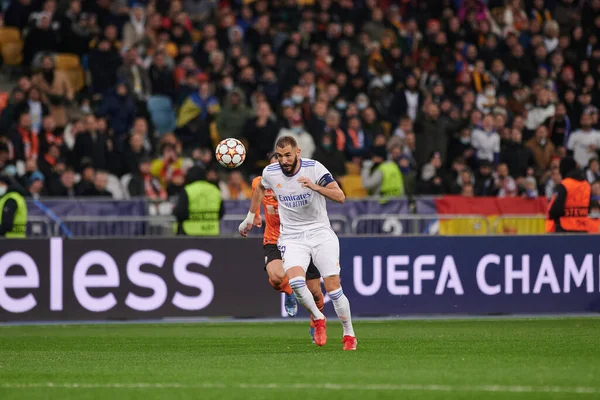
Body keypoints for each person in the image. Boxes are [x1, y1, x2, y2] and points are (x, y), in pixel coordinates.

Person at [239, 136, 357, 351]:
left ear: (298, 152)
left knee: (332, 289)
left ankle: (349, 333)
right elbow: (259, 188)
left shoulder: (314, 168)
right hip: (292, 236)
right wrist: (250, 217)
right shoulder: (270, 173)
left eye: (288, 155)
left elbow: (340, 197)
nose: (283, 160)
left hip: (320, 233)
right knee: (294, 283)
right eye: (280, 156)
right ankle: (318, 318)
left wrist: (314, 187)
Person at [250, 153, 326, 340]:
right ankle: (290, 292)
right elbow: (256, 195)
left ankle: (316, 321)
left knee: (315, 293)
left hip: (303, 238)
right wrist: (255, 214)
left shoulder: (300, 182)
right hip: (275, 238)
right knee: (276, 278)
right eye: (272, 167)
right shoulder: (260, 182)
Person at [173, 167, 224, 236]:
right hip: (212, 231)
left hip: (189, 231)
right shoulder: (215, 189)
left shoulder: (188, 190)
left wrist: (174, 210)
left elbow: (180, 212)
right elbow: (221, 212)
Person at [546, 157, 591, 233]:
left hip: (566, 226)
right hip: (583, 226)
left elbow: (558, 208)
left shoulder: (565, 184)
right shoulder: (586, 185)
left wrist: (552, 214)